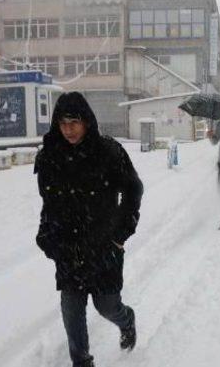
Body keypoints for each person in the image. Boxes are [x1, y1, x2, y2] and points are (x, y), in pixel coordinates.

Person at [34, 92, 144, 367]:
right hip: (66, 246)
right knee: (71, 309)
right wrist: (46, 235)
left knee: (107, 306)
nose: (68, 129)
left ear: (86, 121)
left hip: (104, 245)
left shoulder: (108, 152)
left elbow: (133, 189)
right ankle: (82, 362)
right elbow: (48, 202)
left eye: (74, 122)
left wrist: (120, 235)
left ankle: (127, 321)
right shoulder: (50, 157)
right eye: (63, 123)